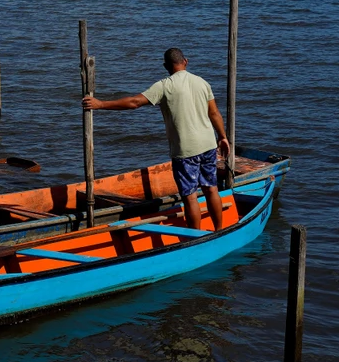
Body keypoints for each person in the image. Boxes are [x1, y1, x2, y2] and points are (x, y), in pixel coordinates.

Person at [81, 48, 230, 230]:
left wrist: (101, 104)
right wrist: (222, 137)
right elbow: (214, 113)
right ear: (186, 61)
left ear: (165, 66)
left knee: (190, 196)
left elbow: (134, 102)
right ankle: (220, 229)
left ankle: (196, 236)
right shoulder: (202, 82)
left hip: (185, 151)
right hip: (208, 144)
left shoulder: (164, 86)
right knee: (211, 188)